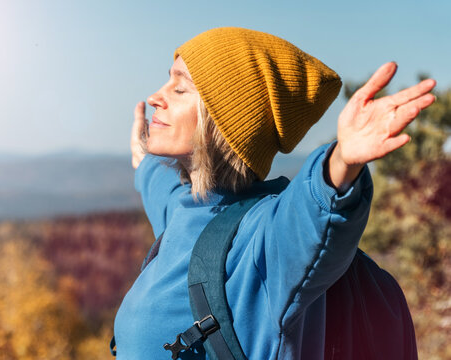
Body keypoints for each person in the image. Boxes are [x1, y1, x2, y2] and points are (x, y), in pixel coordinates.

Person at [113, 27, 436, 359]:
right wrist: (145, 161)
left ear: (225, 121)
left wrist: (341, 162)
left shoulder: (263, 244)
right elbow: (161, 190)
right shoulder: (185, 214)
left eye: (180, 88)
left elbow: (311, 216)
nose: (155, 96)